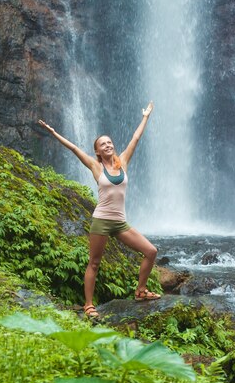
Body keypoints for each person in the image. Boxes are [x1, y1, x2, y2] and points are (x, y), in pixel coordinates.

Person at [38, 101, 160, 319]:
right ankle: (88, 305)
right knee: (94, 262)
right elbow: (74, 148)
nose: (107, 145)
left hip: (120, 222)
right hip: (101, 221)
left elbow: (135, 138)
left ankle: (140, 291)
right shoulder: (96, 166)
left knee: (151, 251)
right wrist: (54, 133)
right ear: (97, 151)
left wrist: (145, 116)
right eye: (103, 144)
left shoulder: (123, 161)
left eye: (109, 142)